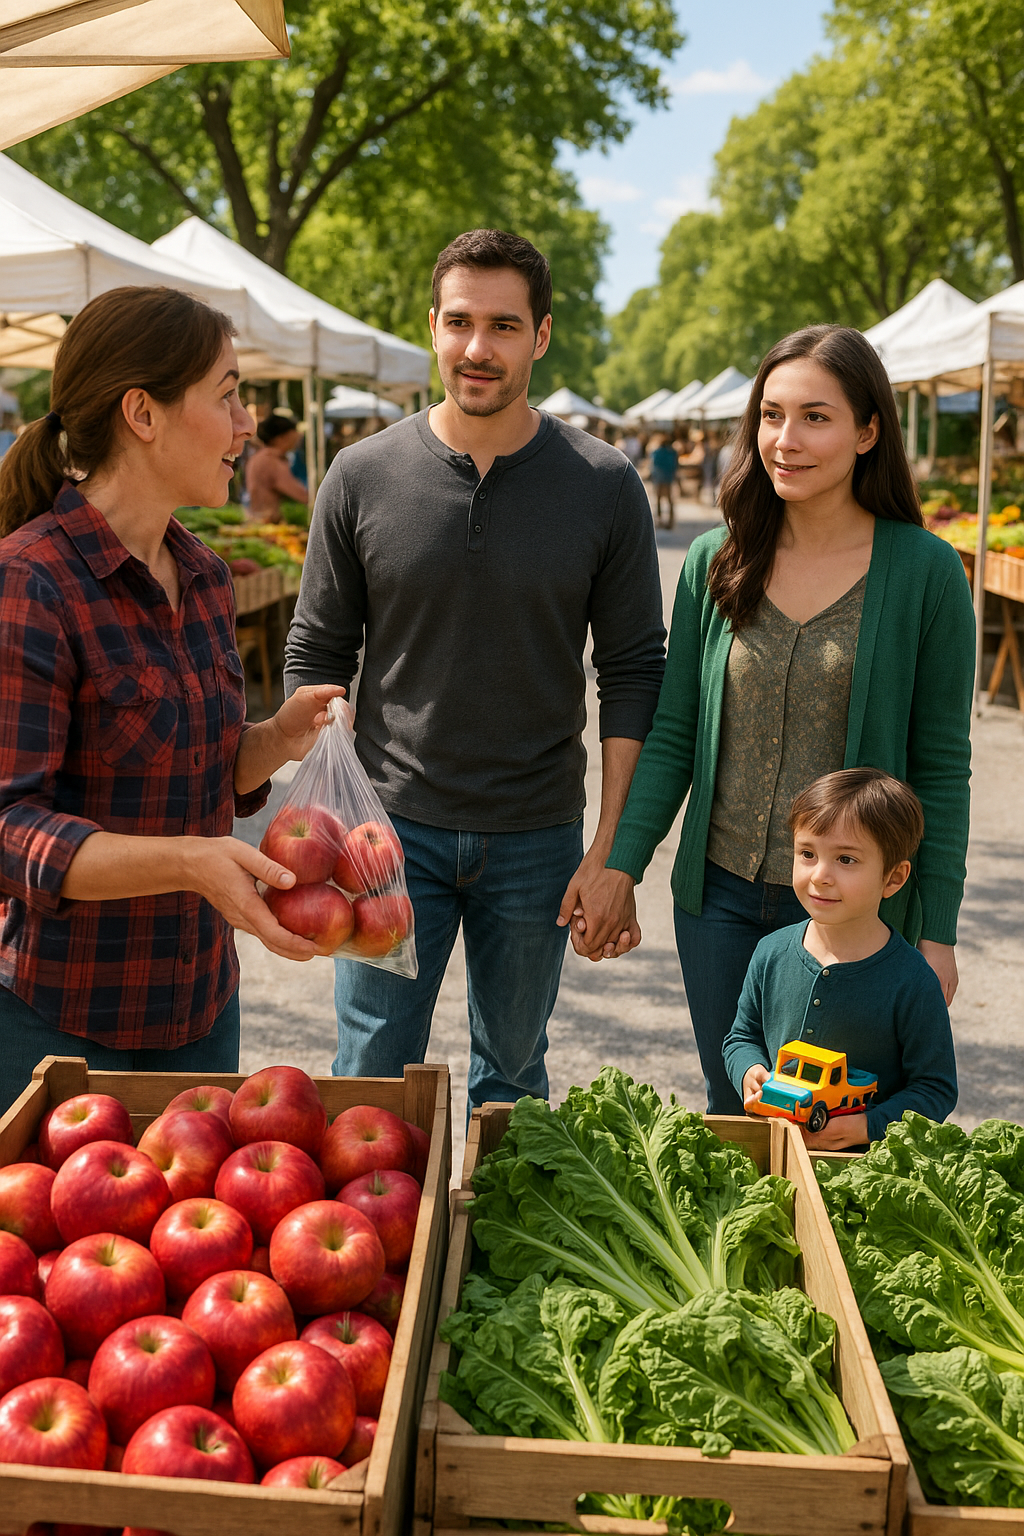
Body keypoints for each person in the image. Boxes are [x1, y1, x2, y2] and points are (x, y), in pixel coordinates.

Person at [284, 228, 666, 1110]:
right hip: (389, 836)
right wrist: (321, 817)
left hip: (537, 837)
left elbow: (635, 674)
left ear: (539, 336)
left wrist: (611, 848)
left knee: (514, 1078)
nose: (477, 348)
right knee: (371, 1072)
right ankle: (393, 1252)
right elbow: (316, 656)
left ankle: (492, 1246)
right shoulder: (360, 475)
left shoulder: (604, 484)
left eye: (502, 326)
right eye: (459, 322)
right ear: (432, 327)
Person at [574, 323, 974, 1115]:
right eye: (771, 414)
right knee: (739, 1121)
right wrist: (621, 865)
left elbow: (941, 769)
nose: (785, 440)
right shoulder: (716, 560)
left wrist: (936, 931)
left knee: (837, 1134)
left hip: (854, 915)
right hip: (717, 904)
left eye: (816, 417)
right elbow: (676, 732)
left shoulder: (926, 572)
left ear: (868, 431)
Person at [0, 286, 346, 1114]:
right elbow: (10, 828)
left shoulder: (205, 575)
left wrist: (274, 738)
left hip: (199, 1012)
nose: (245, 425)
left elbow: (201, 771)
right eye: (226, 396)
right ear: (142, 414)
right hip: (62, 1031)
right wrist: (191, 862)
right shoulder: (31, 580)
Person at [724, 767, 957, 1149]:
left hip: (868, 1172)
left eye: (846, 859)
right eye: (807, 853)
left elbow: (936, 1089)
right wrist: (749, 1070)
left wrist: (868, 1125)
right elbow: (741, 1036)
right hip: (777, 1151)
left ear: (893, 879)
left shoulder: (912, 980)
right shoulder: (771, 951)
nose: (820, 875)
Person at [244, 412, 308, 521]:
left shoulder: (259, 457)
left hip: (257, 518)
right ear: (282, 437)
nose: (297, 436)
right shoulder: (271, 461)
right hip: (268, 522)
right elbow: (302, 495)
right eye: (294, 431)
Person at [648, 435, 679, 528]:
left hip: (658, 478)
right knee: (670, 500)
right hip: (668, 477)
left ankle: (659, 519)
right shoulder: (672, 453)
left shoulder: (656, 452)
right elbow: (675, 465)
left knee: (658, 499)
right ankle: (671, 520)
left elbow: (653, 465)